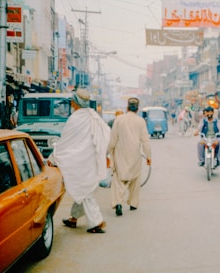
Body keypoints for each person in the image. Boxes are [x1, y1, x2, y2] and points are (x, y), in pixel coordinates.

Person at [49, 88, 110, 234]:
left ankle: (96, 222)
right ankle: (74, 218)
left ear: (75, 103)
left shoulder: (75, 118)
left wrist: (53, 157)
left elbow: (65, 143)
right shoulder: (93, 116)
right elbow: (104, 136)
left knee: (85, 192)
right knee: (82, 189)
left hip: (80, 162)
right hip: (89, 160)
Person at [108, 97, 152, 217]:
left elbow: (113, 139)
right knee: (135, 179)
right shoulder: (141, 121)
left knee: (118, 179)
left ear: (127, 108)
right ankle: (133, 203)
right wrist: (148, 156)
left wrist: (109, 151)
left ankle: (118, 203)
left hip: (120, 154)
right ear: (137, 109)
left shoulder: (119, 120)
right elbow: (145, 141)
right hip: (135, 155)